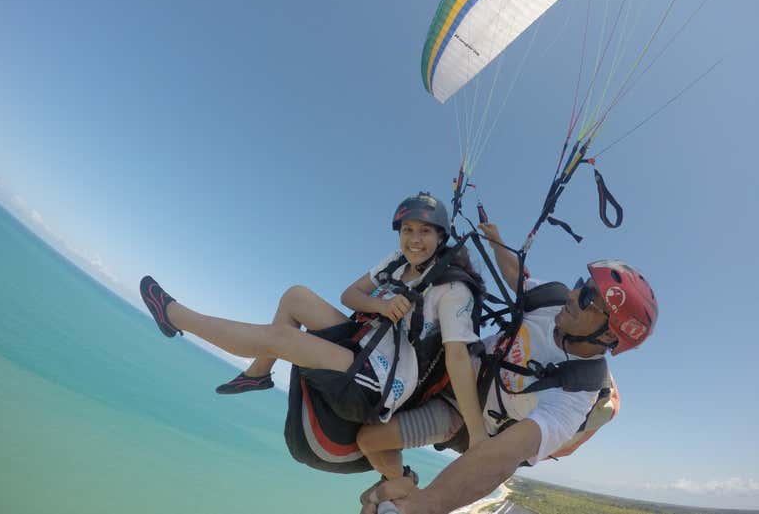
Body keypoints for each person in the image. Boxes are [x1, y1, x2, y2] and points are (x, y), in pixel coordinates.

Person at [139, 192, 490, 478]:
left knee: (283, 340)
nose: (414, 240)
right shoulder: (397, 261)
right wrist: (382, 306)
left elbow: (457, 358)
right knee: (296, 297)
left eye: (425, 232)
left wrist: (477, 435)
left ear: (441, 236)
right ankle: (259, 373)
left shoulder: (454, 290)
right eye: (407, 230)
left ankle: (176, 317)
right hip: (365, 343)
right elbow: (349, 296)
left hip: (383, 379)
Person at [359, 222, 659, 514]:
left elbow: (505, 454)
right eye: (582, 285)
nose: (573, 294)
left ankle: (403, 488)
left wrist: (429, 504)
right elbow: (517, 276)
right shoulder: (553, 301)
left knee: (371, 438)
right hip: (452, 366)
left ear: (608, 334)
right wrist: (495, 239)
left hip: (463, 415)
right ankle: (399, 482)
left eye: (588, 297)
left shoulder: (575, 393)